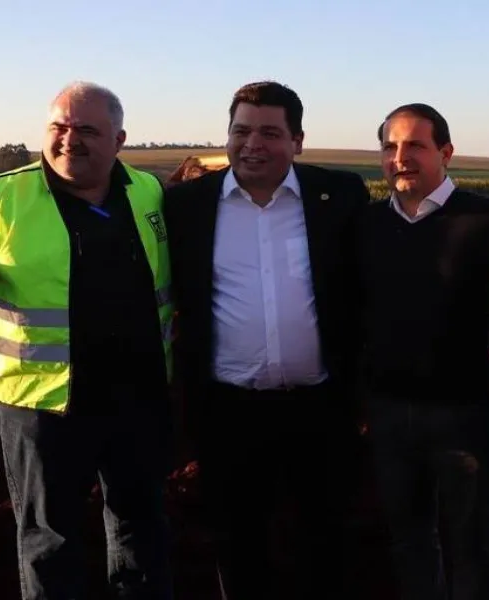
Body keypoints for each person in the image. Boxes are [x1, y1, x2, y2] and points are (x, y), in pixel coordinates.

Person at [0, 81, 176, 599]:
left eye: (87, 130)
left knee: (142, 528)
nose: (69, 139)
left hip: (137, 395)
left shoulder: (148, 191)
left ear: (119, 140)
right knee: (51, 541)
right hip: (44, 406)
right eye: (59, 127)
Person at [162, 80, 371, 600]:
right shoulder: (186, 205)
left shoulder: (339, 196)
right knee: (238, 544)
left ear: (297, 141)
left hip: (320, 409)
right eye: (242, 131)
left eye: (270, 133)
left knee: (324, 541)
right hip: (227, 412)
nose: (252, 144)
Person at [356, 102, 489, 600]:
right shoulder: (365, 225)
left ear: (446, 152)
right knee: (409, 541)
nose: (400, 157)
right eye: (389, 147)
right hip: (389, 413)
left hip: (467, 413)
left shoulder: (488, 222)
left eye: (414, 146)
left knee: (472, 542)